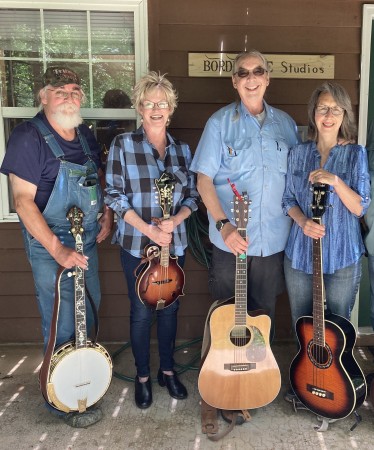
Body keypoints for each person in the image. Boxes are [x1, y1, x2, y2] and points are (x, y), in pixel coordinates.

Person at [0, 66, 113, 427]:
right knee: (62, 323)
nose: (69, 96)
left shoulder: (83, 135)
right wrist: (57, 250)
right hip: (51, 244)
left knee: (89, 313)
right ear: (43, 96)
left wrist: (106, 213)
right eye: (60, 90)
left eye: (75, 90)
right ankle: (60, 400)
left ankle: (82, 384)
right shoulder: (28, 137)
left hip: (86, 242)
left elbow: (97, 178)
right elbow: (22, 201)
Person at [104, 71, 199, 409]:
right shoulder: (123, 146)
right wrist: (149, 230)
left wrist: (175, 220)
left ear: (171, 108)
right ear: (139, 109)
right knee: (143, 312)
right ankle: (143, 376)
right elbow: (114, 194)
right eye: (149, 103)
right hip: (137, 245)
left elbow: (192, 198)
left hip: (174, 245)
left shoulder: (183, 151)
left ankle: (168, 371)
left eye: (162, 103)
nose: (156, 109)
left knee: (170, 308)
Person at [190, 50, 300, 340]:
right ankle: (225, 378)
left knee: (265, 313)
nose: (251, 78)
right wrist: (222, 225)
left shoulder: (286, 125)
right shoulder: (219, 123)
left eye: (257, 71)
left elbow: (298, 178)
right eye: (243, 72)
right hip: (230, 241)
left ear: (268, 77)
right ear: (234, 81)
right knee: (227, 314)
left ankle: (259, 380)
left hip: (272, 241)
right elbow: (203, 181)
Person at [282, 82, 371, 401]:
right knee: (302, 326)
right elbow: (287, 200)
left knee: (338, 329)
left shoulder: (355, 154)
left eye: (335, 108)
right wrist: (303, 220)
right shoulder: (298, 152)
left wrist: (334, 180)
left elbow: (361, 205)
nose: (328, 114)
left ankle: (335, 386)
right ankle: (304, 383)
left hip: (343, 256)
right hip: (301, 256)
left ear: (344, 113)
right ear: (313, 113)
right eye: (323, 108)